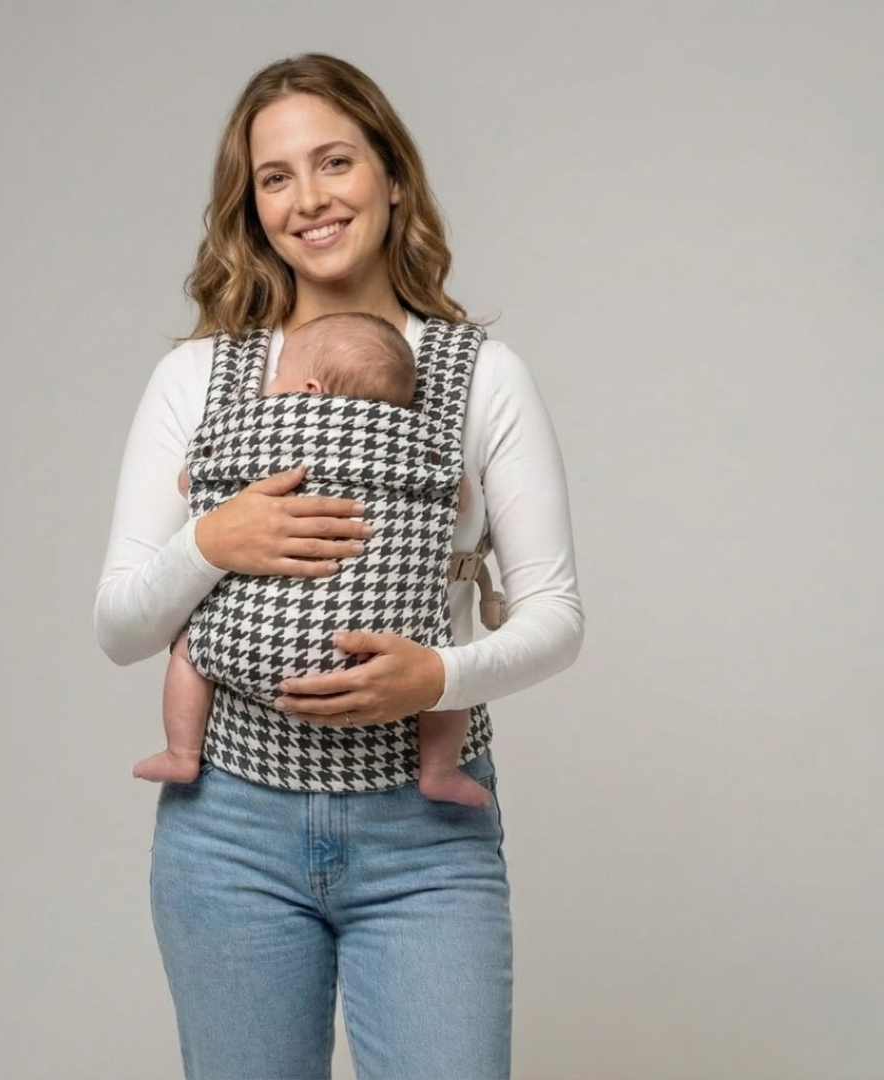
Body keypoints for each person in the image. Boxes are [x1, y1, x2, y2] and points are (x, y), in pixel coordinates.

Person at [95, 52, 583, 1080]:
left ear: (392, 175)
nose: (309, 199)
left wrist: (437, 676)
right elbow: (121, 628)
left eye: (335, 162)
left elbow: (555, 616)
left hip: (424, 833)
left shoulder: (482, 376)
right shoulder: (196, 377)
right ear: (252, 206)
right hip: (228, 830)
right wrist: (211, 542)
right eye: (275, 177)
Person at [131, 310, 491, 808]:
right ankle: (439, 770)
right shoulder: (424, 444)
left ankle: (181, 752)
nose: (270, 387)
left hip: (251, 642)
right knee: (445, 673)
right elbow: (460, 500)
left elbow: (190, 482)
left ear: (309, 389)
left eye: (278, 376)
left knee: (191, 652)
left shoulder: (252, 431)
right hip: (382, 651)